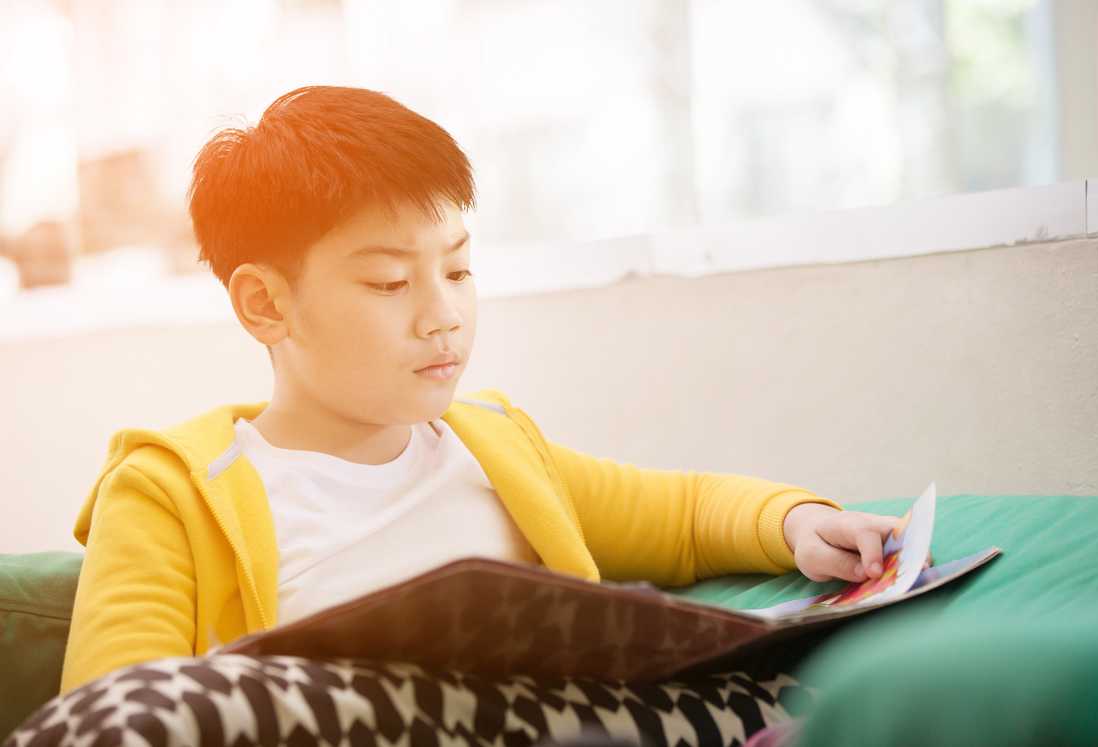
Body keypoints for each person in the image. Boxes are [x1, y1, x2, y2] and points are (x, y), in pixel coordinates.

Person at [47, 85, 898, 744]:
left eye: (457, 271)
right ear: (265, 305)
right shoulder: (172, 491)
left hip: (562, 725)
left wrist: (797, 521)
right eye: (389, 282)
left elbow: (678, 516)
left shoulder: (492, 447)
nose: (440, 314)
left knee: (836, 679)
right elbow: (113, 709)